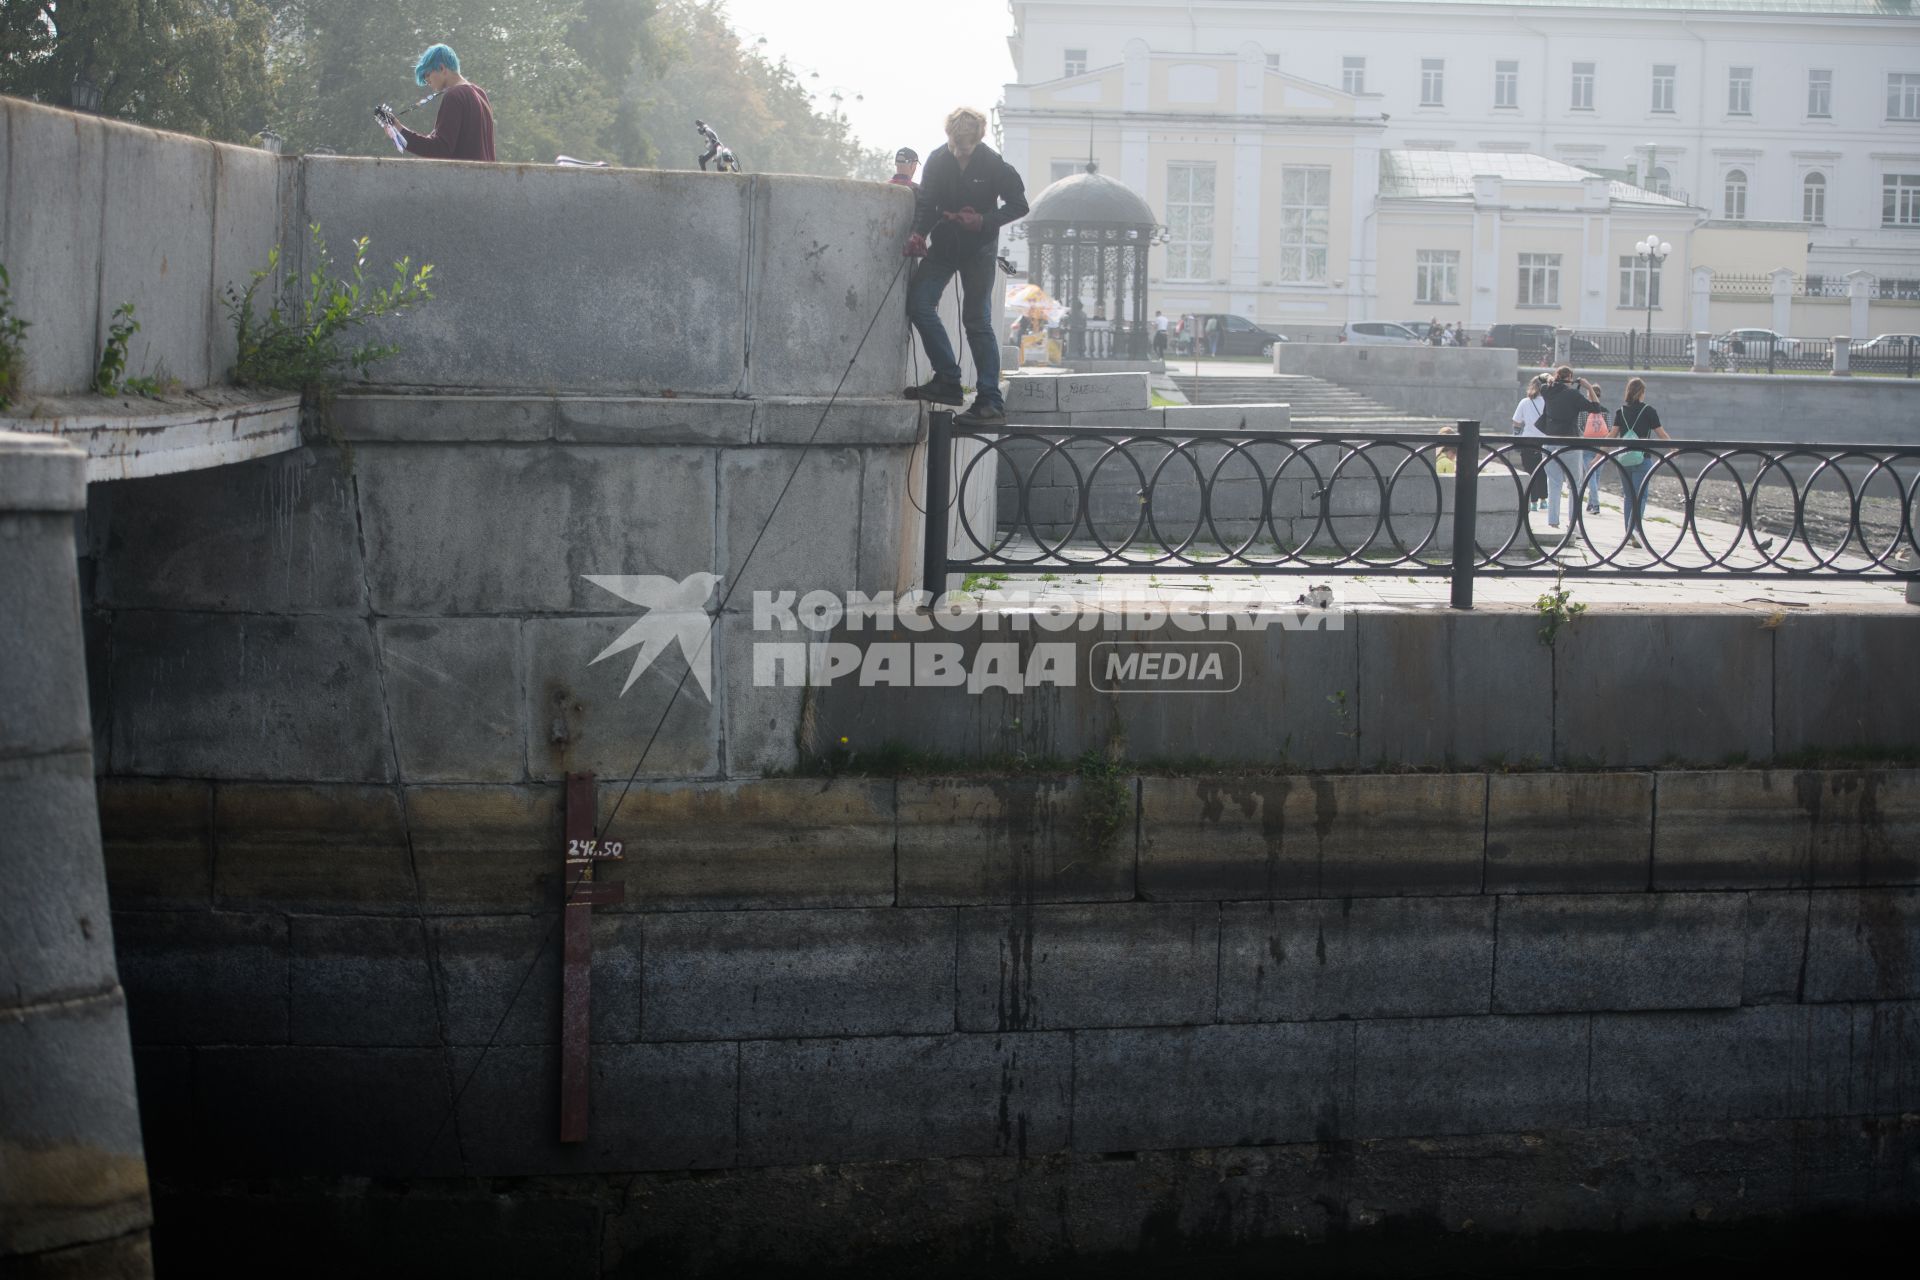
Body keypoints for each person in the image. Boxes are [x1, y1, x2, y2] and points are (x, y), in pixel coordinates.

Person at [902, 106, 1029, 427]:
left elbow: (1018, 204)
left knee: (977, 320)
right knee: (919, 304)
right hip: (944, 245)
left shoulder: (993, 164)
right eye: (956, 147)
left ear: (978, 140)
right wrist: (919, 233)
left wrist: (984, 221)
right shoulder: (937, 159)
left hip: (979, 250)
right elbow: (928, 202)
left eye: (966, 148)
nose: (961, 153)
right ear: (949, 138)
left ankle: (989, 399)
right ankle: (947, 378)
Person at [387, 44, 494, 162]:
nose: (427, 81)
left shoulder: (454, 96)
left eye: (427, 75)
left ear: (442, 68)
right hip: (487, 177)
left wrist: (400, 131)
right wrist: (398, 128)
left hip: (466, 178)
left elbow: (440, 149)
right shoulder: (480, 94)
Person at [1538, 365, 1608, 528]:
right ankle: (1573, 522)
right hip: (1570, 443)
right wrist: (1589, 387)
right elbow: (1596, 408)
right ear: (1570, 378)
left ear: (1556, 377)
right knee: (1574, 484)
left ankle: (1553, 522)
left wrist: (1549, 378)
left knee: (1554, 483)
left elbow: (1540, 377)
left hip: (1550, 442)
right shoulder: (1573, 394)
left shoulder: (1546, 390)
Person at [1612, 377, 1672, 548]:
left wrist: (1599, 455)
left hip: (1623, 460)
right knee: (1641, 496)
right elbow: (1661, 434)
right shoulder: (1648, 411)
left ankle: (1629, 533)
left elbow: (1611, 435)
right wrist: (1673, 449)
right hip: (1642, 458)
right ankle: (1635, 530)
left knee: (1629, 497)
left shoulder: (1620, 411)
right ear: (1641, 392)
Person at [1511, 374, 1549, 512]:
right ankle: (1544, 499)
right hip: (1545, 440)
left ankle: (1532, 501)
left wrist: (1516, 435)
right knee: (1544, 471)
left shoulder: (1525, 402)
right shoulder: (1548, 401)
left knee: (1530, 471)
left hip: (1527, 440)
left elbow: (1516, 421)